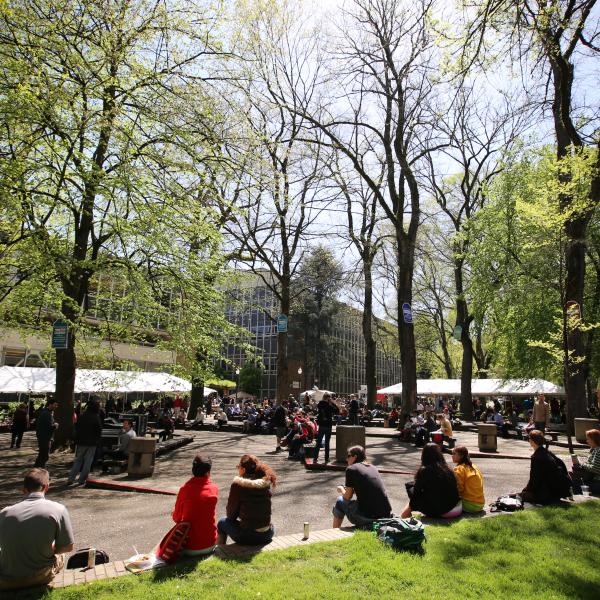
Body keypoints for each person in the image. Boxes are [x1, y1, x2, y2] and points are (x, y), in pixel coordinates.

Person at [0, 468, 74, 590]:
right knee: (61, 554)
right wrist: (52, 549)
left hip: (7, 579)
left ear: (24, 490)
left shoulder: (4, 512)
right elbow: (68, 546)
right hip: (39, 577)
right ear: (46, 487)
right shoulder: (58, 509)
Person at [217, 454, 276, 545]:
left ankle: (221, 550)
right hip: (268, 533)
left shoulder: (238, 485)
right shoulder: (265, 482)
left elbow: (230, 515)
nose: (238, 469)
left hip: (248, 536)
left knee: (222, 522)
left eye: (238, 467)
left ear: (243, 469)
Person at [332, 445, 392, 528]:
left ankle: (334, 531)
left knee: (340, 501)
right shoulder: (373, 467)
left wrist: (341, 489)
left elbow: (347, 497)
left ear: (355, 457)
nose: (346, 459)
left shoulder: (351, 469)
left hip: (369, 517)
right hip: (386, 514)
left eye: (348, 456)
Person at [171, 454, 218, 556]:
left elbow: (177, 518)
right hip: (211, 544)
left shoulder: (185, 489)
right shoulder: (214, 488)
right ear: (208, 471)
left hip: (190, 547)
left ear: (193, 470)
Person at [401, 443, 461, 519]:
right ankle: (406, 514)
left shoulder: (424, 470)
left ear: (424, 455)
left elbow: (416, 493)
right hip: (456, 508)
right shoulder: (448, 468)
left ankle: (405, 514)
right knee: (417, 487)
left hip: (441, 512)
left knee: (411, 487)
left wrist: (412, 507)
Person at [521, 430, 571, 504]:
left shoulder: (537, 457)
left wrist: (526, 490)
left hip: (547, 492)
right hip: (558, 490)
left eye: (529, 439)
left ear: (532, 441)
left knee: (520, 496)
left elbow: (534, 479)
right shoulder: (547, 453)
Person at [67, 401, 102, 485]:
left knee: (78, 460)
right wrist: (97, 440)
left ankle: (71, 479)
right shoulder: (96, 417)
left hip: (81, 442)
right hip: (92, 443)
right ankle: (82, 479)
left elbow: (77, 428)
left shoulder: (82, 416)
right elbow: (98, 431)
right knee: (88, 461)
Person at [451, 446, 485, 512]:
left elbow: (459, 488)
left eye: (454, 454)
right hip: (480, 504)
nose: (452, 456)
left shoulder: (459, 469)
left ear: (461, 456)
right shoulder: (474, 467)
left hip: (469, 504)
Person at [570, 428, 600, 495]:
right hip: (593, 479)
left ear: (594, 439)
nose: (587, 441)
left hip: (597, 481)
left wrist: (582, 465)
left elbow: (595, 468)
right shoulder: (594, 449)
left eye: (588, 439)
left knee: (575, 484)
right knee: (574, 481)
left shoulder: (598, 450)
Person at [34, 400, 59, 468]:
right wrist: (55, 425)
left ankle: (37, 471)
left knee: (42, 455)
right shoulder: (46, 413)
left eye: (57, 405)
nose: (56, 406)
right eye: (55, 405)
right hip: (45, 437)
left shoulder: (46, 412)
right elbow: (50, 426)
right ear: (50, 404)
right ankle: (40, 472)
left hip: (44, 436)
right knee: (44, 456)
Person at [314, 393, 336, 464]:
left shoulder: (320, 404)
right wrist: (332, 403)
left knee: (318, 442)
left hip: (321, 425)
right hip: (328, 425)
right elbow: (337, 411)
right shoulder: (329, 405)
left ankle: (315, 458)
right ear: (328, 398)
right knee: (327, 443)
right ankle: (326, 459)